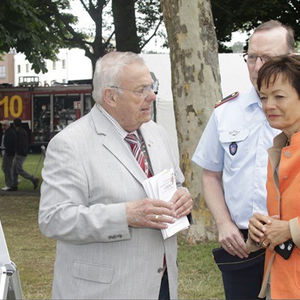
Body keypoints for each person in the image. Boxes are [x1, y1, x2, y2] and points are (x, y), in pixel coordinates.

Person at [38, 51, 193, 299]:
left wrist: (183, 197)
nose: (152, 96)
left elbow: (176, 183)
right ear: (111, 96)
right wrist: (126, 216)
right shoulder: (70, 144)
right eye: (141, 90)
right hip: (103, 290)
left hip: (160, 285)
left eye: (152, 87)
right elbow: (54, 218)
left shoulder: (156, 132)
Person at [192, 20, 295, 299]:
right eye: (252, 57)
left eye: (269, 58)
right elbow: (211, 173)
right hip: (243, 244)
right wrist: (224, 224)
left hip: (294, 243)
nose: (258, 66)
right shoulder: (227, 112)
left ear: (292, 57)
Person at [248, 55, 300, 299]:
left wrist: (290, 229)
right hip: (278, 282)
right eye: (263, 97)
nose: (268, 105)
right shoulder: (280, 148)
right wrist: (261, 228)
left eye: (279, 96)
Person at [11, 118, 39, 190]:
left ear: (14, 124)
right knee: (14, 169)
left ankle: (33, 179)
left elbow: (20, 144)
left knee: (19, 170)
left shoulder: (19, 132)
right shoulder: (22, 131)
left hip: (20, 153)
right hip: (21, 153)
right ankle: (14, 185)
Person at [1, 120, 17, 191]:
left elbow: (10, 144)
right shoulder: (7, 132)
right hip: (7, 153)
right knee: (5, 168)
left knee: (6, 168)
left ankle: (9, 185)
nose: (3, 127)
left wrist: (4, 148)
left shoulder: (10, 133)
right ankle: (12, 181)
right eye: (2, 125)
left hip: (8, 153)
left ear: (8, 125)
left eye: (4, 125)